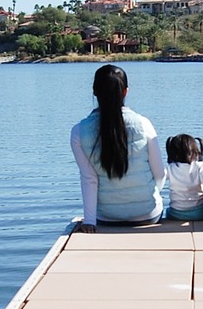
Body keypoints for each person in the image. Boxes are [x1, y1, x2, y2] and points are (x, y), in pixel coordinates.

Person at [70, 65, 165, 232]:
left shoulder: (78, 131)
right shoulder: (143, 124)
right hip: (148, 215)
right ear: (126, 91)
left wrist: (90, 221)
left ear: (94, 91)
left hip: (106, 217)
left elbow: (89, 179)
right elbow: (160, 174)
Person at [165, 134, 203, 222]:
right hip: (198, 213)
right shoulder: (200, 166)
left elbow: (158, 181)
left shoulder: (170, 168)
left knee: (167, 211)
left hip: (175, 213)